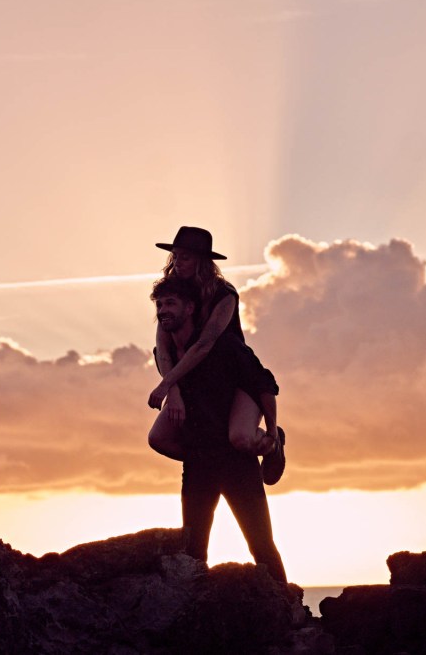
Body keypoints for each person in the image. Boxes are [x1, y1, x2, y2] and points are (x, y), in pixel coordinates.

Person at [151, 276, 286, 583]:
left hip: (237, 463)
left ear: (190, 307)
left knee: (261, 547)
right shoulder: (168, 357)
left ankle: (289, 611)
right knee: (194, 553)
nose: (162, 310)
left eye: (170, 303)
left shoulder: (223, 346)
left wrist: (272, 430)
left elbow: (265, 383)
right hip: (198, 464)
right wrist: (172, 389)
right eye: (159, 304)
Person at [147, 226, 286, 485]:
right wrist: (173, 390)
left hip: (235, 372)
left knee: (240, 438)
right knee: (158, 438)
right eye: (175, 256)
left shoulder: (224, 295)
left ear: (202, 261)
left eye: (185, 257)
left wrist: (166, 384)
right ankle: (206, 462)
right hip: (192, 377)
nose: (177, 263)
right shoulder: (171, 295)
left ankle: (271, 445)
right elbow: (162, 349)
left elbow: (204, 344)